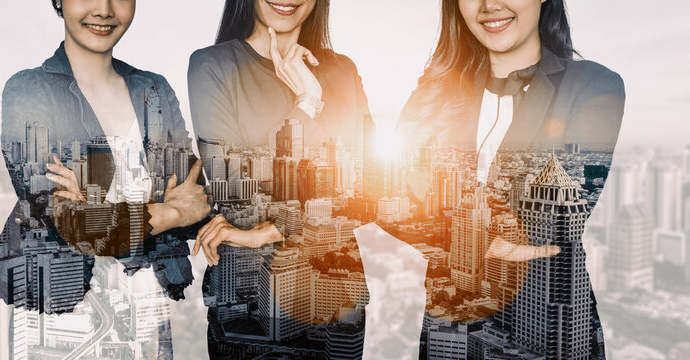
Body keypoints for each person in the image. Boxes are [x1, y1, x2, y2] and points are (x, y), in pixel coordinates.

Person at [382, 0, 625, 358]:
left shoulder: (592, 85)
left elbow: (550, 217)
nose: (489, 4)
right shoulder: (436, 94)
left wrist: (442, 223)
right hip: (449, 329)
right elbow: (386, 198)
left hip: (545, 326)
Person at [0, 0, 211, 354]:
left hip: (146, 312)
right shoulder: (30, 90)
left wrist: (99, 209)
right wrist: (168, 213)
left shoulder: (153, 90)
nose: (104, 9)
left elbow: (197, 200)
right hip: (59, 318)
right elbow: (63, 221)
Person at [187, 0, 372, 357]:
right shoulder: (212, 66)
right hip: (249, 314)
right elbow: (238, 192)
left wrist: (269, 232)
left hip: (338, 307)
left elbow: (372, 192)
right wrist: (307, 102)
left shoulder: (343, 72)